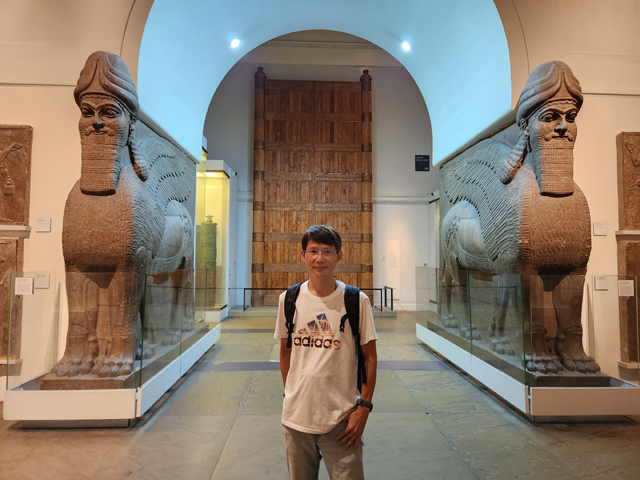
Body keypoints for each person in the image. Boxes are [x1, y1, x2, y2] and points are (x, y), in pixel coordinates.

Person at [275, 225, 378, 480]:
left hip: (341, 421)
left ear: (338, 256)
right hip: (296, 420)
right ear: (303, 255)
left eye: (327, 251)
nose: (319, 258)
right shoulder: (289, 299)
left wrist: (364, 408)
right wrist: (293, 393)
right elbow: (286, 352)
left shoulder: (356, 301)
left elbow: (369, 357)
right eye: (313, 251)